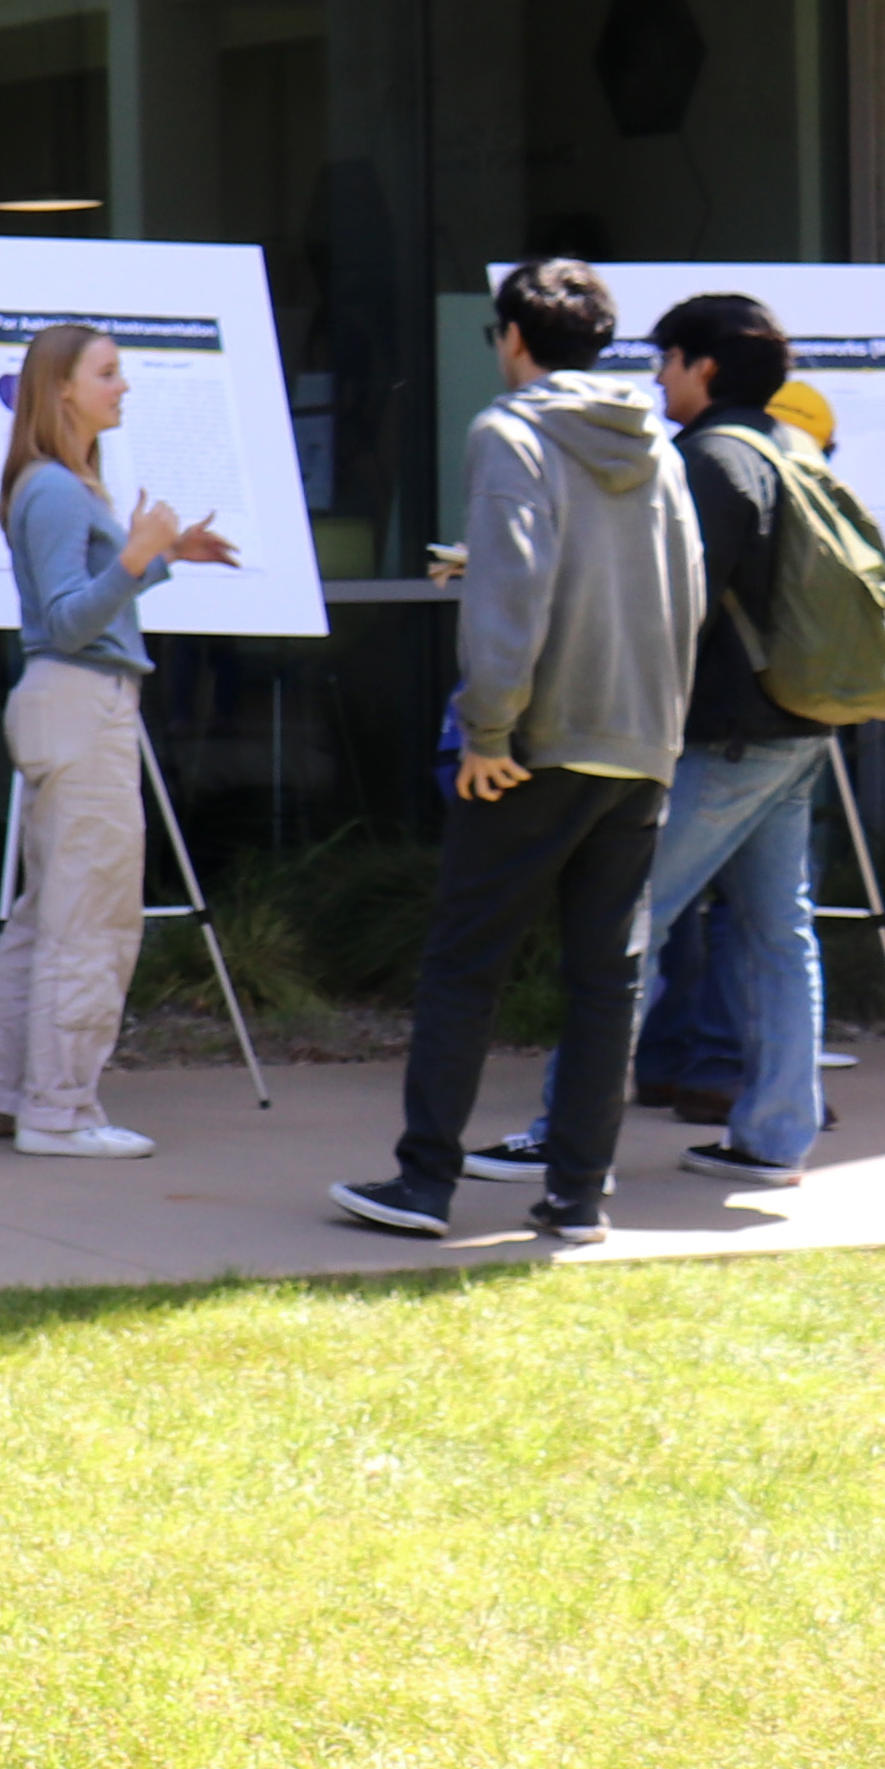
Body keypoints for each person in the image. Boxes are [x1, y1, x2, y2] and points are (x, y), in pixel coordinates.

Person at [329, 257, 704, 1244]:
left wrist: (487, 732)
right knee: (607, 981)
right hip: (639, 744)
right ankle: (578, 1198)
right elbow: (684, 588)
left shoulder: (509, 430)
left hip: (534, 746)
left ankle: (424, 1185)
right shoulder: (656, 443)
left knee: (464, 967)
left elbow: (518, 592)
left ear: (512, 338)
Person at [470, 289, 839, 1191]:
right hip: (797, 725)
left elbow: (679, 600)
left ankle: (564, 1132)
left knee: (628, 928)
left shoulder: (711, 460)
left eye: (665, 361)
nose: (658, 378)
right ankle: (777, 1136)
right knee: (778, 933)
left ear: (701, 366)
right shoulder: (789, 449)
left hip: (726, 734)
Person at [0, 324, 234, 1161]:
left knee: (50, 916)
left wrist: (160, 554)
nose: (123, 387)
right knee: (93, 920)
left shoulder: (57, 485)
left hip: (68, 705)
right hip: (82, 703)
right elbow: (71, 620)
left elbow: (71, 605)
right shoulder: (58, 489)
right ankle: (60, 1110)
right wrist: (140, 554)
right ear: (62, 389)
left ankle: (2, 1098)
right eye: (108, 374)